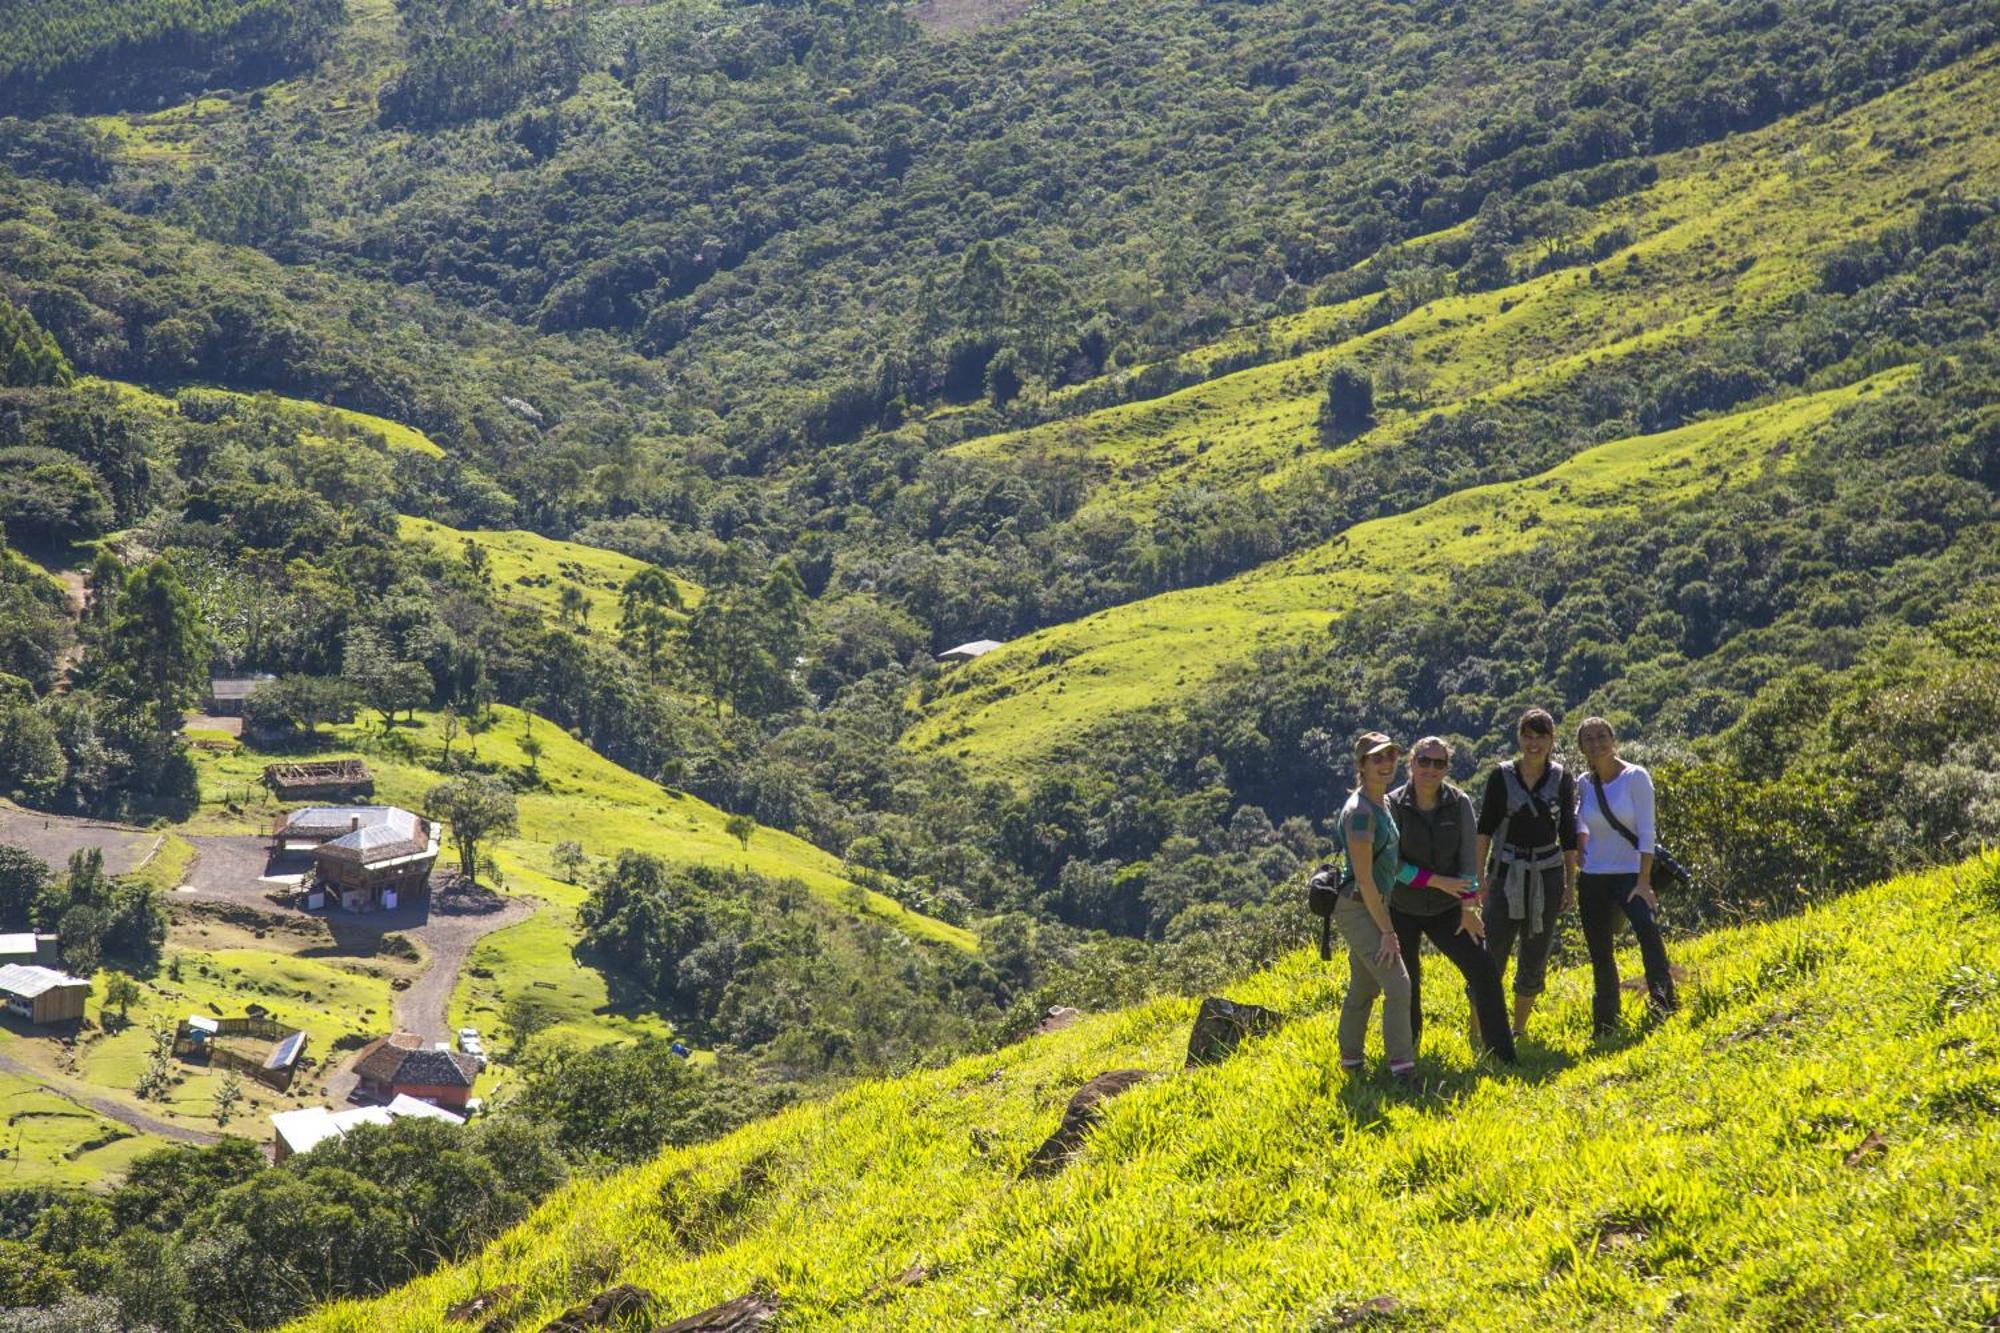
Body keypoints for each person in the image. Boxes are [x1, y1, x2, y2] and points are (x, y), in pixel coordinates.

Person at [1388, 736, 1516, 1064]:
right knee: (1408, 984)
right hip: (1401, 907)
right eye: (1424, 761)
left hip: (1448, 908)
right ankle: (1406, 1057)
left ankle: (1502, 1056)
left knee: (1484, 969)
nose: (1431, 769)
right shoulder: (1392, 805)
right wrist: (1436, 881)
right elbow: (1391, 865)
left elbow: (1468, 861)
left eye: (1439, 763)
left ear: (1447, 768)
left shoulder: (1458, 802)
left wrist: (1469, 907)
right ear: (1411, 764)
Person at [1475, 707, 1579, 1040]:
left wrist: (1569, 882)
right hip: (1505, 873)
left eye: (1541, 737)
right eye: (1527, 736)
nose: (1533, 744)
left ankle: (1517, 1031)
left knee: (1535, 953)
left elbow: (1568, 834)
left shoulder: (1562, 778)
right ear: (1519, 737)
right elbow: (1484, 830)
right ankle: (1479, 1032)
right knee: (1491, 954)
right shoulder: (1501, 776)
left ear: (1552, 740)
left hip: (1546, 876)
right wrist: (1479, 879)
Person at [1575, 716, 1678, 1035]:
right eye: (1589, 739)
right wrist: (1580, 849)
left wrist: (1644, 880)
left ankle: (1664, 1004)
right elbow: (1581, 820)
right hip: (1593, 876)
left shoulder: (1635, 777)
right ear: (1581, 748)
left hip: (1631, 874)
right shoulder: (1583, 782)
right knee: (1600, 949)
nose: (1597, 743)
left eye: (1602, 736)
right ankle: (1605, 1021)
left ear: (1613, 739)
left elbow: (1647, 831)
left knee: (1647, 931)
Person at [1334, 731, 1417, 1084]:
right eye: (1377, 758)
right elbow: (1365, 879)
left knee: (1365, 987)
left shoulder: (1380, 803)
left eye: (1391, 757)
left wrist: (1439, 882)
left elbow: (1391, 864)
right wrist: (1387, 932)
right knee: (1398, 985)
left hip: (1372, 903)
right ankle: (1403, 1071)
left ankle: (1350, 1062)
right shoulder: (1360, 814)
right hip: (1358, 907)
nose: (1386, 764)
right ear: (1362, 765)